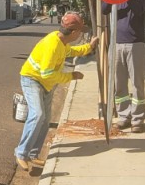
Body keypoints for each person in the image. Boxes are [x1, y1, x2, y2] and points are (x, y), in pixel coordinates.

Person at [15, 12, 99, 170]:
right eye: (80, 31)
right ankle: (21, 153)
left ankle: (33, 154)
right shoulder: (52, 44)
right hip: (32, 79)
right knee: (37, 114)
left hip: (46, 83)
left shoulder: (61, 40)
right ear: (74, 33)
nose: (81, 34)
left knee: (45, 119)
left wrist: (89, 47)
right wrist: (70, 76)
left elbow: (71, 52)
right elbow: (46, 73)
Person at [102, 0, 145, 133]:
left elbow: (138, 9)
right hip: (116, 44)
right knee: (119, 84)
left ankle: (137, 119)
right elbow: (104, 9)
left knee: (137, 84)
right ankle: (123, 117)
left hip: (135, 45)